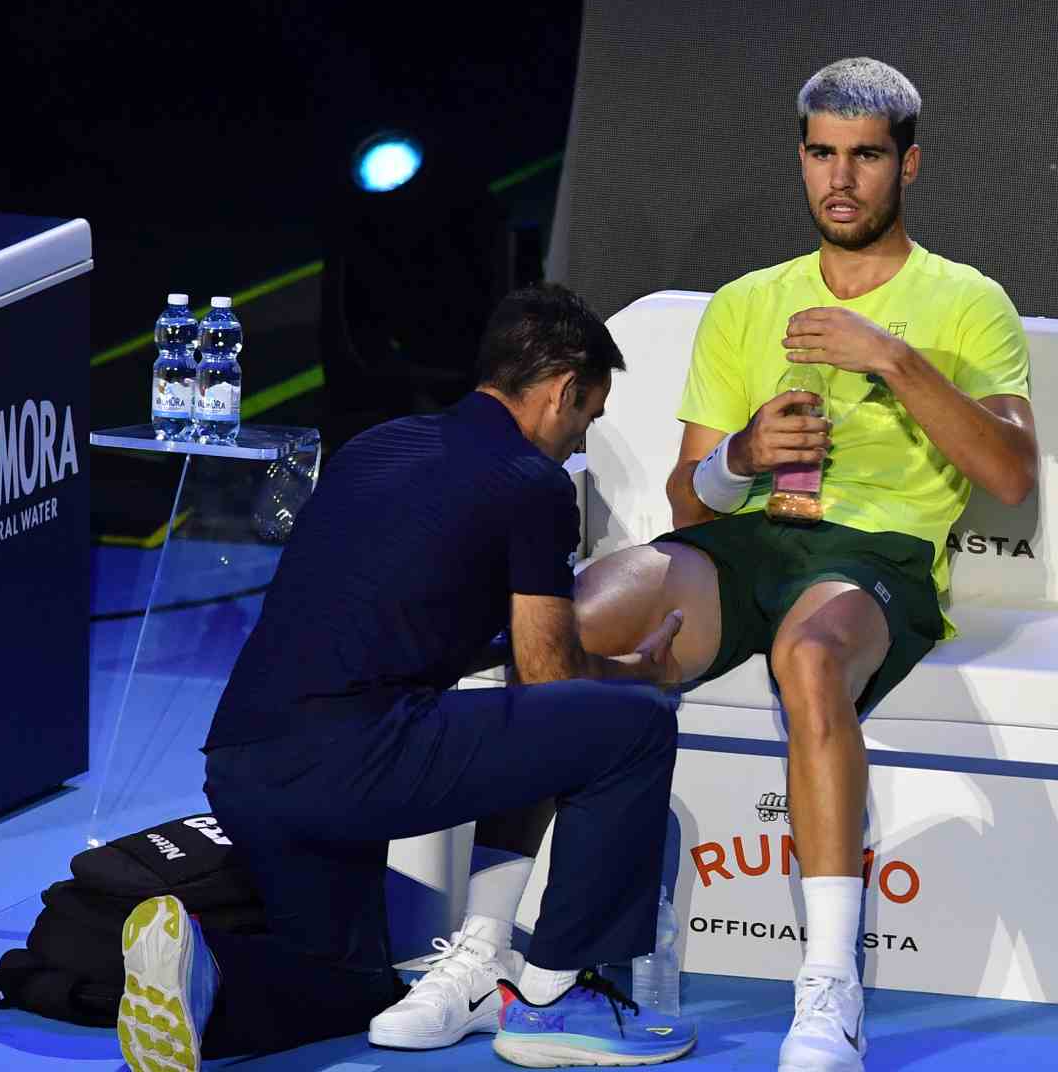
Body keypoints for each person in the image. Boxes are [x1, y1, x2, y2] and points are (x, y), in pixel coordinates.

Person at [573, 57, 1037, 1072]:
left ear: (907, 164)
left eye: (866, 157)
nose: (842, 178)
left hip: (877, 555)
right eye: (823, 153)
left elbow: (1009, 474)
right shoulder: (745, 303)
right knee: (574, 624)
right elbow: (688, 503)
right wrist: (743, 455)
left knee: (811, 657)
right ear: (801, 158)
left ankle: (830, 990)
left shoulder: (968, 303)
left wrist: (896, 362)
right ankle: (522, 953)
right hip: (747, 541)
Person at [114, 284, 697, 1071]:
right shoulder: (533, 485)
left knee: (350, 983)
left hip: (242, 763)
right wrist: (633, 675)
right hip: (357, 756)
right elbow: (548, 675)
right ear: (563, 390)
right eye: (586, 417)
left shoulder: (374, 448)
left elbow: (385, 614)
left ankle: (206, 973)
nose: (577, 441)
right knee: (633, 727)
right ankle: (562, 1001)